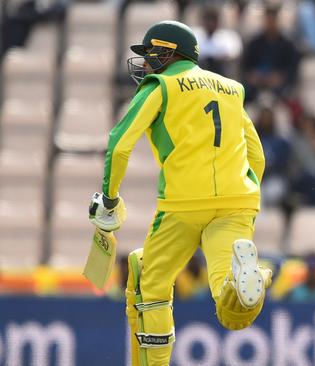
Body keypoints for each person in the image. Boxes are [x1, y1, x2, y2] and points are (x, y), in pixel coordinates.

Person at [87, 20, 272, 365]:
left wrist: (109, 199)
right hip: (238, 200)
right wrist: (247, 196)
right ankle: (251, 278)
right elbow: (256, 154)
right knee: (225, 292)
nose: (144, 65)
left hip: (183, 203)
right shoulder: (231, 88)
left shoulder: (162, 85)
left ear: (169, 54)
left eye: (150, 55)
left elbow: (119, 144)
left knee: (151, 283)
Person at [241, 4, 301, 103]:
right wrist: (252, 75)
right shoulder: (254, 43)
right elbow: (245, 66)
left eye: (273, 19)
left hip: (279, 88)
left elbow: (293, 69)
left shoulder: (288, 44)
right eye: (268, 19)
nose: (270, 22)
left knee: (290, 97)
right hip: (256, 86)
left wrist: (281, 77)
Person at [194, 5, 242, 78]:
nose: (210, 23)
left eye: (213, 20)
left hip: (221, 75)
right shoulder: (195, 35)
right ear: (203, 21)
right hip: (200, 75)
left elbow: (233, 54)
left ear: (219, 21)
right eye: (208, 20)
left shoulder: (229, 37)